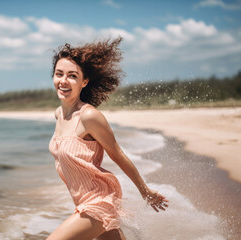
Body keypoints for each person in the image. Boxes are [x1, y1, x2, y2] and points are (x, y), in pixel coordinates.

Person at [48, 37, 168, 240]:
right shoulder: (59, 114)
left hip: (98, 201)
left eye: (72, 76)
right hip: (82, 201)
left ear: (84, 82)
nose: (64, 81)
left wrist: (144, 191)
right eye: (59, 74)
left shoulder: (89, 116)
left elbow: (118, 154)